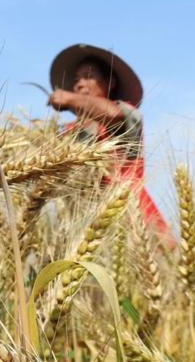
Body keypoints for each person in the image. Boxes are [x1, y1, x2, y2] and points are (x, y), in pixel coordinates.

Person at [48, 43, 171, 241]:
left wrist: (69, 98)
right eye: (76, 80)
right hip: (85, 232)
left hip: (136, 223)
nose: (79, 84)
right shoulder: (67, 133)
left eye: (88, 76)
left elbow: (112, 114)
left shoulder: (126, 113)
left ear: (110, 83)